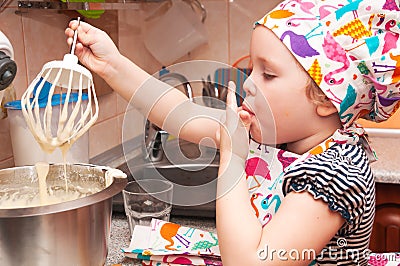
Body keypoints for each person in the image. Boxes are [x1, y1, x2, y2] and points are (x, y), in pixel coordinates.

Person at [66, 0, 400, 264]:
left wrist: (232, 157)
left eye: (268, 74)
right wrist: (112, 64)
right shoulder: (268, 131)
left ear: (327, 100)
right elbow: (177, 114)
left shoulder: (335, 174)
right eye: (252, 69)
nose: (249, 83)